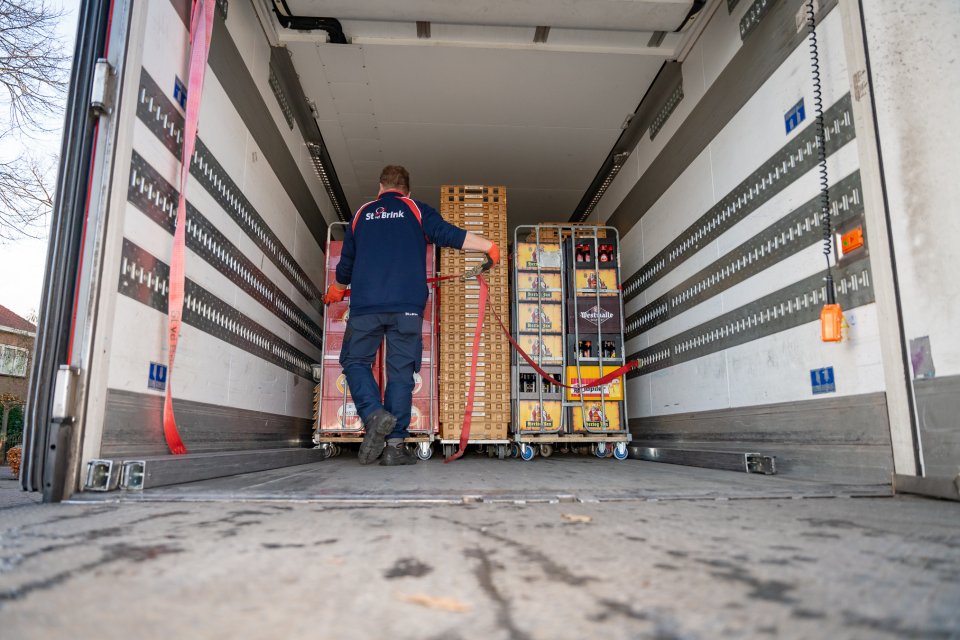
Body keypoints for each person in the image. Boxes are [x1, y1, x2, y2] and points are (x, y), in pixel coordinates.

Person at [322, 166, 499, 466]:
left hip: (367, 307)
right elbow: (447, 234)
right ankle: (394, 447)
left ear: (380, 187)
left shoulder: (362, 214)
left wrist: (337, 289)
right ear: (408, 190)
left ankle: (374, 415)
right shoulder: (415, 209)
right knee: (401, 372)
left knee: (355, 361)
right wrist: (488, 247)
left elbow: (346, 264)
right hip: (407, 307)